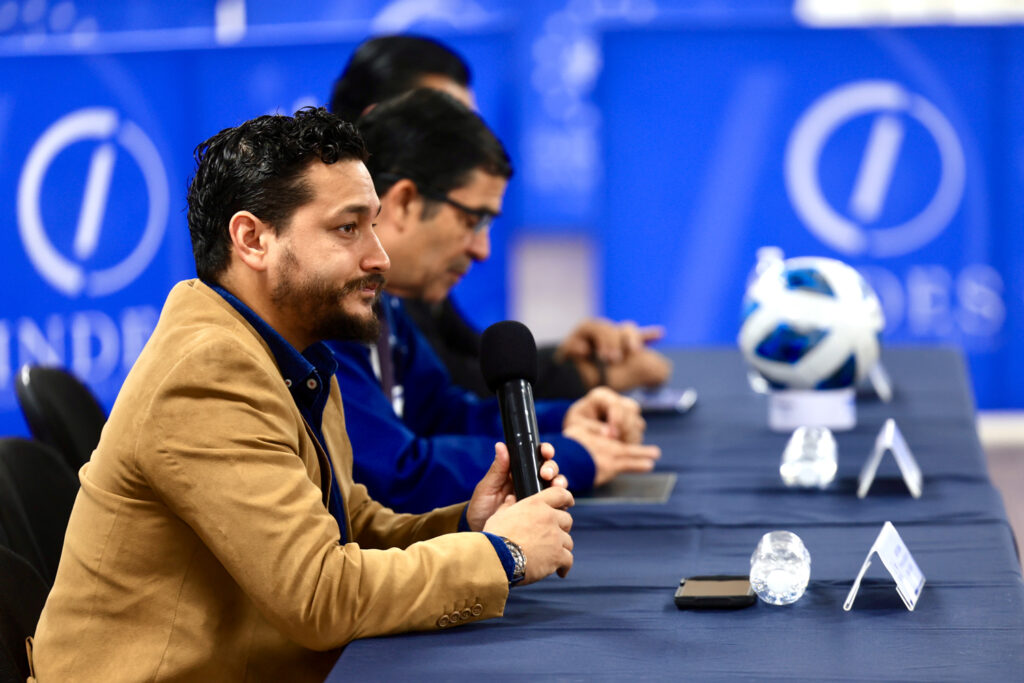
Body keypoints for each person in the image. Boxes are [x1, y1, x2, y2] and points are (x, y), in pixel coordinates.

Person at [28, 108, 576, 682]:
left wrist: (469, 524)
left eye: (373, 225)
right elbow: (319, 597)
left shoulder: (292, 351)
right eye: (347, 228)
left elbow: (349, 527)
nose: (379, 257)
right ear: (252, 240)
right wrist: (503, 555)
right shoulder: (206, 373)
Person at [327, 89, 661, 515]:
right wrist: (570, 455)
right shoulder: (326, 311)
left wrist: (562, 420)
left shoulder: (385, 305)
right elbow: (397, 477)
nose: (482, 249)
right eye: (473, 219)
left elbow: (445, 414)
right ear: (405, 203)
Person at [329, 34, 671, 400]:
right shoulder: (334, 287)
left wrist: (565, 359)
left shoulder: (404, 285)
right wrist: (593, 376)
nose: (482, 250)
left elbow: (465, 378)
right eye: (447, 121)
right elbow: (447, 402)